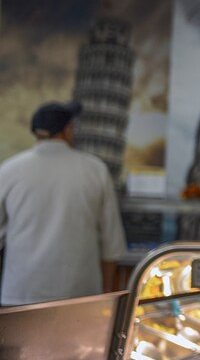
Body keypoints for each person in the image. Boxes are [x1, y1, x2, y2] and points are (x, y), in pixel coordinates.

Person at [0, 100, 127, 306]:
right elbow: (111, 243)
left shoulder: (9, 170)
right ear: (67, 130)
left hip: (21, 292)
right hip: (79, 292)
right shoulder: (94, 169)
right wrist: (107, 292)